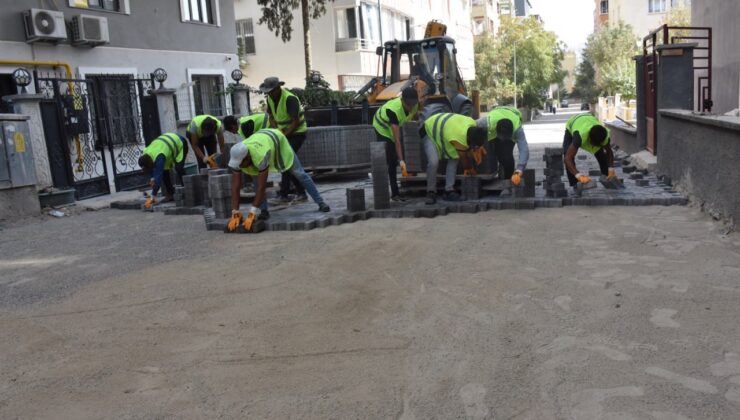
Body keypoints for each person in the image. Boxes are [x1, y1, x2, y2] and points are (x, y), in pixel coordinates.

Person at [226, 128, 330, 232]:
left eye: (241, 163)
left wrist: (252, 212)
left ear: (247, 157)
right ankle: (264, 211)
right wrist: (235, 212)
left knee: (300, 174)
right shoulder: (238, 156)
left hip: (278, 140)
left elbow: (262, 186)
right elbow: (235, 185)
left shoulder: (261, 156)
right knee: (256, 181)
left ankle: (321, 202)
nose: (239, 166)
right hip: (262, 139)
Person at [420, 113, 487, 204]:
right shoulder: (458, 138)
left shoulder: (473, 124)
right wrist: (470, 168)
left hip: (445, 131)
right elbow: (464, 158)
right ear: (469, 138)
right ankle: (431, 192)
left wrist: (479, 147)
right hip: (429, 130)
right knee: (433, 161)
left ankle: (449, 191)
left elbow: (468, 149)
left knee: (454, 158)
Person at [260, 76, 308, 204]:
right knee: (288, 162)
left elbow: (296, 122)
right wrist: (277, 131)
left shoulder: (289, 99)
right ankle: (301, 193)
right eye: (267, 92)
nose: (269, 93)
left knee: (285, 160)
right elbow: (271, 117)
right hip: (283, 133)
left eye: (271, 91)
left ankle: (284, 195)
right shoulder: (270, 98)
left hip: (297, 133)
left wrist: (283, 135)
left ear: (278, 88)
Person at [372, 87, 419, 201]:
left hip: (395, 125)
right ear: (402, 100)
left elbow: (415, 117)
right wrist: (402, 162)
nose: (411, 107)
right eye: (408, 104)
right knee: (392, 159)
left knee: (397, 151)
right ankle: (395, 193)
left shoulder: (414, 104)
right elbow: (397, 139)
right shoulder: (393, 110)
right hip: (382, 127)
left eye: (413, 104)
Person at [477, 106, 530, 186]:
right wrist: (476, 145)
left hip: (512, 116)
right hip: (496, 116)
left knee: (507, 156)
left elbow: (524, 149)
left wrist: (520, 169)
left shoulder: (517, 129)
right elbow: (469, 125)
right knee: (496, 151)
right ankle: (494, 173)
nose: (503, 139)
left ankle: (508, 179)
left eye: (505, 137)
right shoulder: (486, 122)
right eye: (501, 137)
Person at [563, 113, 616, 191]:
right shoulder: (579, 137)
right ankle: (575, 184)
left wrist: (611, 169)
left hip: (590, 119)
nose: (594, 147)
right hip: (573, 123)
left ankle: (606, 178)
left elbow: (609, 152)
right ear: (589, 140)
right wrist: (578, 175)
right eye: (594, 144)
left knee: (601, 154)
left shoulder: (604, 135)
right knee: (567, 153)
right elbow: (567, 159)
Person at [137, 132, 189, 209]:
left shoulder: (159, 157)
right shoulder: (146, 153)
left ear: (150, 162)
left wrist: (152, 196)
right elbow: (150, 169)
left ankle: (187, 191)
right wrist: (152, 178)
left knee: (179, 168)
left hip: (180, 143)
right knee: (165, 172)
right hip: (166, 146)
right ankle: (170, 194)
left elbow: (158, 180)